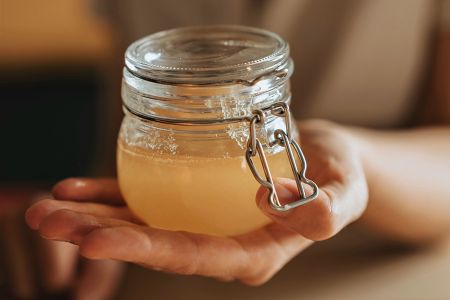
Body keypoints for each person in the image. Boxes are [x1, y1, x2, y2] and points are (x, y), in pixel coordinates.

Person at [26, 0, 450, 287]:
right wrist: (78, 245)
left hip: (374, 274)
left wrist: (358, 160)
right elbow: (144, 101)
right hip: (157, 269)